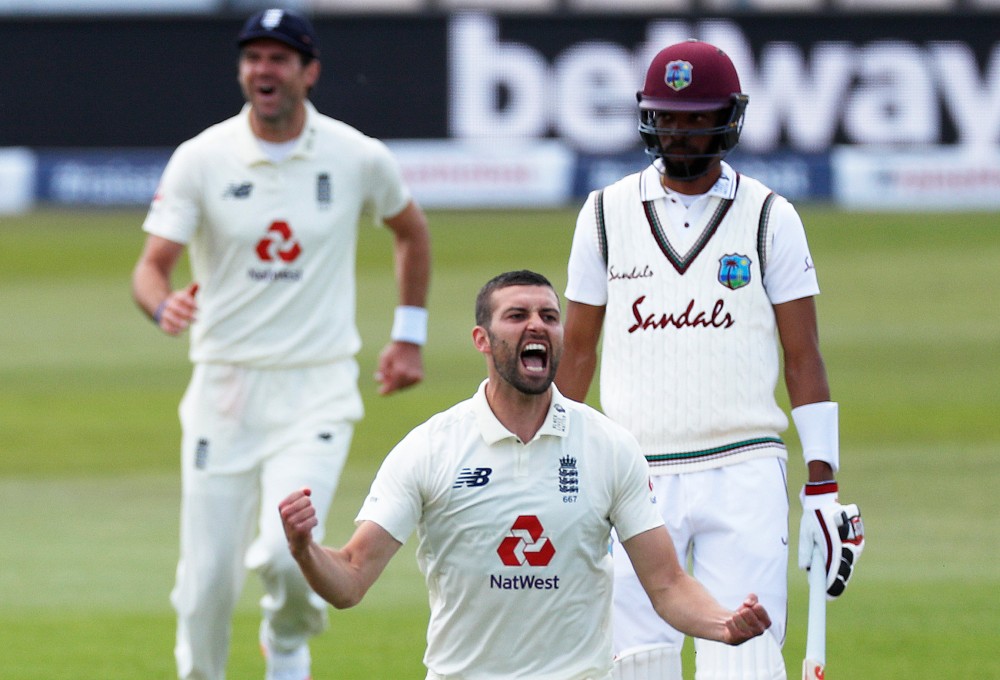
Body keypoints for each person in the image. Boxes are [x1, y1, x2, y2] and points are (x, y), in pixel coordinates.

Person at [278, 270, 772, 680]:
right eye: (517, 316)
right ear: (483, 340)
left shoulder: (608, 446)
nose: (537, 325)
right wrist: (304, 549)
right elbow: (350, 580)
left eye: (549, 317)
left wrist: (722, 624)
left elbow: (666, 584)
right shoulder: (431, 448)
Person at [130, 9, 431, 680]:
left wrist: (408, 336)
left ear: (308, 71)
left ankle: (288, 642)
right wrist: (163, 305)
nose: (263, 70)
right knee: (206, 582)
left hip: (315, 389)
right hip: (224, 391)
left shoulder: (355, 155)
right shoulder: (203, 158)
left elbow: (411, 230)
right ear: (242, 70)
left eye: (279, 59)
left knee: (284, 551)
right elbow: (151, 267)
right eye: (253, 58)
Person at [556, 40, 865, 679]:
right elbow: (578, 351)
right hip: (632, 470)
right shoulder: (605, 215)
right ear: (647, 116)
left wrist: (825, 487)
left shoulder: (771, 216)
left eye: (697, 116)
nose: (682, 130)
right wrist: (551, 459)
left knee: (746, 660)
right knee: (635, 663)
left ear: (729, 116)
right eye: (669, 115)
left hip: (745, 466)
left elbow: (803, 355)